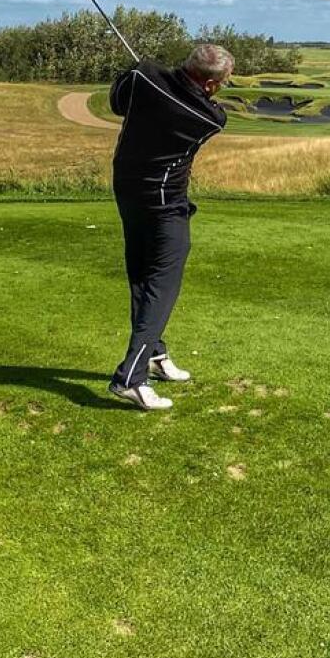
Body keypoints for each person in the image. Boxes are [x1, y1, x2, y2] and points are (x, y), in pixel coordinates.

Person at [106, 42, 232, 409]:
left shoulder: (144, 77)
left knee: (143, 273)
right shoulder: (209, 117)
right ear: (210, 85)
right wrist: (143, 73)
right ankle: (130, 377)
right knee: (162, 282)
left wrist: (137, 71)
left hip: (126, 188)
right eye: (223, 82)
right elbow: (199, 106)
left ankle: (155, 354)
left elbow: (117, 101)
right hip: (163, 202)